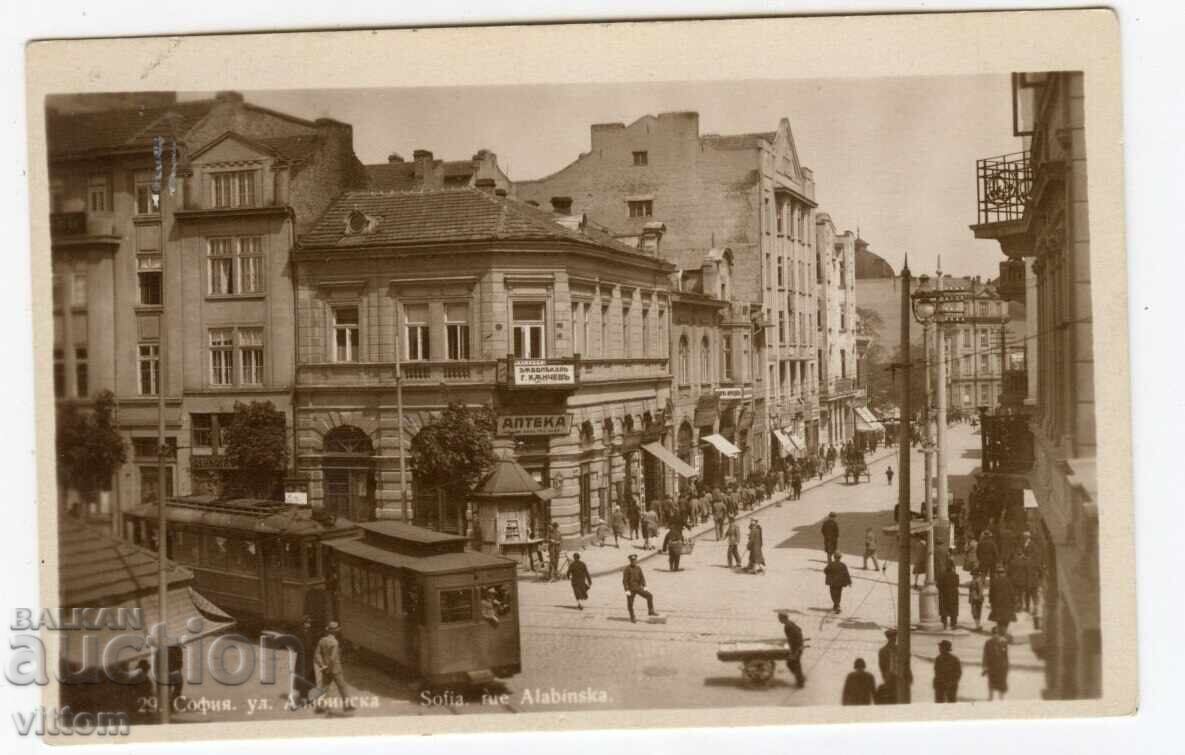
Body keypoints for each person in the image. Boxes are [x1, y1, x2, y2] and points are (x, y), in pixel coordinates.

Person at [313, 621, 354, 713]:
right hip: (335, 669)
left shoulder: (322, 640)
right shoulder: (335, 643)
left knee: (324, 688)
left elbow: (317, 655)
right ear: (335, 632)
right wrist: (329, 668)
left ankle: (320, 707)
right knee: (342, 686)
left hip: (325, 668)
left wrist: (322, 665)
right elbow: (332, 658)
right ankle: (347, 706)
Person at [622, 554, 657, 623]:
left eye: (635, 560)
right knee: (630, 604)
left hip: (638, 587)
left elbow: (642, 577)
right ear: (630, 561)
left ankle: (650, 611)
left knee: (649, 596)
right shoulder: (627, 569)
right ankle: (632, 617)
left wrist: (645, 586)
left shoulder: (638, 568)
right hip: (631, 589)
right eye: (632, 561)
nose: (634, 562)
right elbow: (624, 581)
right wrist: (626, 590)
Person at [778, 612, 806, 688]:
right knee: (794, 664)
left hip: (796, 648)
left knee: (792, 664)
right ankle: (800, 679)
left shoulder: (788, 626)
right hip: (798, 647)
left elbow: (794, 640)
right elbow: (799, 630)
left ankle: (800, 682)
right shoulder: (790, 624)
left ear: (783, 618)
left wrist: (794, 652)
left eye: (779, 618)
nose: (779, 620)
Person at [982, 626, 1010, 700]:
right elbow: (985, 655)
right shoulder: (988, 643)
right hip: (992, 667)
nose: (995, 635)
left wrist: (1006, 666)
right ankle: (990, 698)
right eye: (994, 634)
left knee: (1001, 685)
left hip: (1001, 668)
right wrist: (985, 666)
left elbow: (1005, 656)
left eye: (997, 634)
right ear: (992, 634)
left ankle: (1001, 700)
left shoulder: (1004, 642)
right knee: (991, 684)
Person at [988, 565, 1016, 634]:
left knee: (999, 620)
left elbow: (991, 595)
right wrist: (1014, 602)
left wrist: (991, 603)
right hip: (1007, 604)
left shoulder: (994, 581)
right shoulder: (1008, 581)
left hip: (997, 604)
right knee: (1006, 619)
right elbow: (1012, 593)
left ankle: (1000, 632)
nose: (1000, 574)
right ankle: (1004, 632)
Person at [937, 558, 961, 630]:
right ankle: (953, 624)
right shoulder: (955, 575)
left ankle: (944, 624)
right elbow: (957, 584)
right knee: (954, 610)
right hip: (953, 595)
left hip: (944, 594)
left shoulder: (942, 575)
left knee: (944, 609)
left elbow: (939, 585)